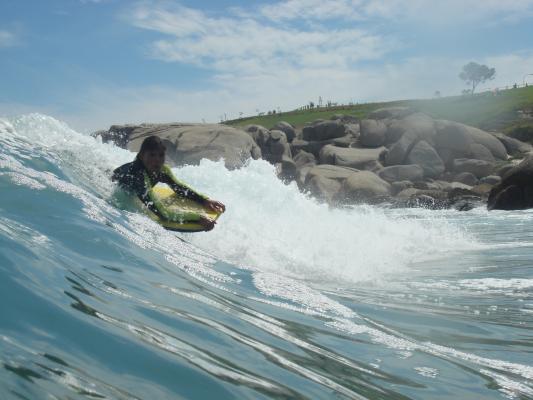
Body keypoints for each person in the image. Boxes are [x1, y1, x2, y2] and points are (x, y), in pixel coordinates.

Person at [112, 136, 225, 231]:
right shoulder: (138, 176)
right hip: (113, 184)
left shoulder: (162, 170)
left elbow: (179, 188)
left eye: (161, 155)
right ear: (141, 156)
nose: (157, 160)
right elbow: (163, 214)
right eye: (152, 155)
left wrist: (204, 200)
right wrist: (198, 218)